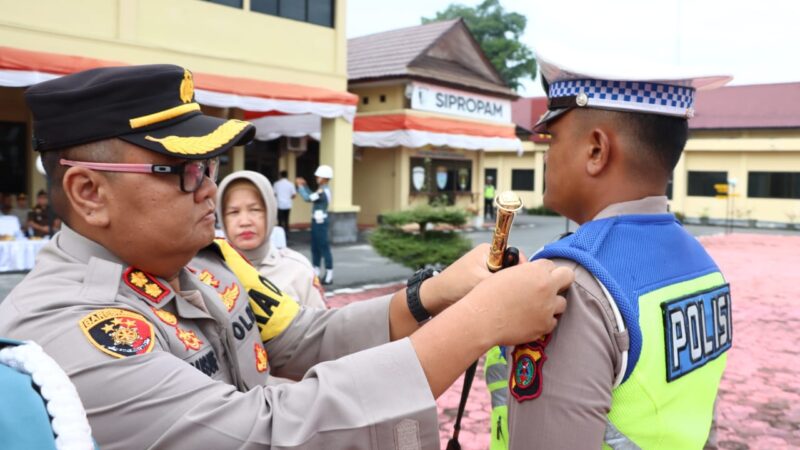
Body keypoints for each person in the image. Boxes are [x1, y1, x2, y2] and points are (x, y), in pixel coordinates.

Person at [0, 64, 573, 449]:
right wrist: (478, 324)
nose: (207, 188)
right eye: (182, 170)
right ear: (89, 194)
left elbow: (299, 343)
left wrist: (433, 295)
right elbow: (261, 433)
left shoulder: (195, 268)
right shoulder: (70, 327)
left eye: (211, 168)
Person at [506, 52, 733, 449]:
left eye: (553, 138)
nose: (547, 154)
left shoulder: (573, 282)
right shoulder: (705, 266)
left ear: (596, 150)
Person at [217, 170, 326, 309]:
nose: (244, 222)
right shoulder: (208, 273)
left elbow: (320, 327)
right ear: (222, 218)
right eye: (233, 212)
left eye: (255, 210)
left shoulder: (298, 270)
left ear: (270, 212)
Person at [296, 165, 334, 284]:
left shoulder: (323, 192)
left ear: (324, 178)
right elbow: (312, 196)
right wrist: (305, 186)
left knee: (323, 247)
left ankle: (329, 274)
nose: (317, 177)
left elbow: (308, 198)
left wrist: (301, 187)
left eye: (319, 176)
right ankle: (316, 270)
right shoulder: (321, 190)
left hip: (321, 222)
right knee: (315, 246)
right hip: (317, 221)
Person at [273, 170, 296, 237]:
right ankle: (287, 235)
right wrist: (288, 198)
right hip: (288, 205)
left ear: (280, 176)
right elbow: (294, 195)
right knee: (286, 220)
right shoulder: (291, 184)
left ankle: (279, 236)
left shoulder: (276, 184)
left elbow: (274, 194)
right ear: (287, 176)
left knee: (280, 221)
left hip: (279, 205)